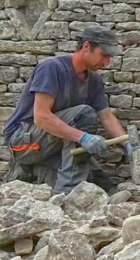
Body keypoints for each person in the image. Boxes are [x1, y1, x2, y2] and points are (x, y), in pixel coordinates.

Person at [3, 25, 131, 193]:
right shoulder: (52, 68)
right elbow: (41, 117)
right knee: (83, 115)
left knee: (98, 180)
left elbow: (106, 117)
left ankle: (35, 170)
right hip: (24, 142)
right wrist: (83, 137)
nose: (106, 62)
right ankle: (67, 196)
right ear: (86, 46)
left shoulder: (94, 81)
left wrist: (126, 143)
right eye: (104, 55)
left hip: (54, 141)